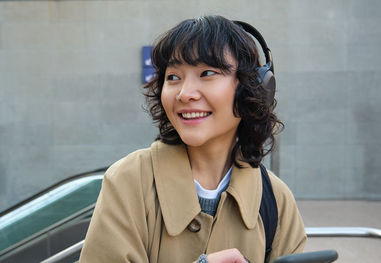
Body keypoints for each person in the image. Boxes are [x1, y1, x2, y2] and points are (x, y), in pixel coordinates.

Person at [79, 15, 306, 263]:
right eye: (173, 77)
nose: (184, 94)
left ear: (250, 89)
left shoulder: (276, 199)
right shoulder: (128, 182)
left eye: (207, 73)